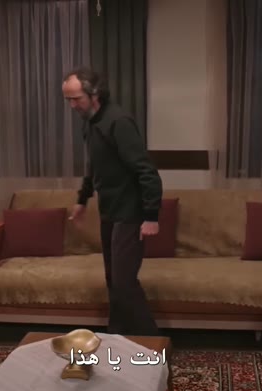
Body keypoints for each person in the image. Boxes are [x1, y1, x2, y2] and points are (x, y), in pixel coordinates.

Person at [62, 66, 162, 336]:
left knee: (124, 282)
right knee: (113, 280)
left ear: (94, 94)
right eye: (68, 100)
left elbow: (147, 171)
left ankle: (154, 344)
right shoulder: (90, 123)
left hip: (130, 213)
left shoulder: (119, 122)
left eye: (76, 99)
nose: (72, 106)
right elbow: (94, 165)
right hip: (109, 211)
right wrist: (82, 199)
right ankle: (116, 334)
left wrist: (151, 216)